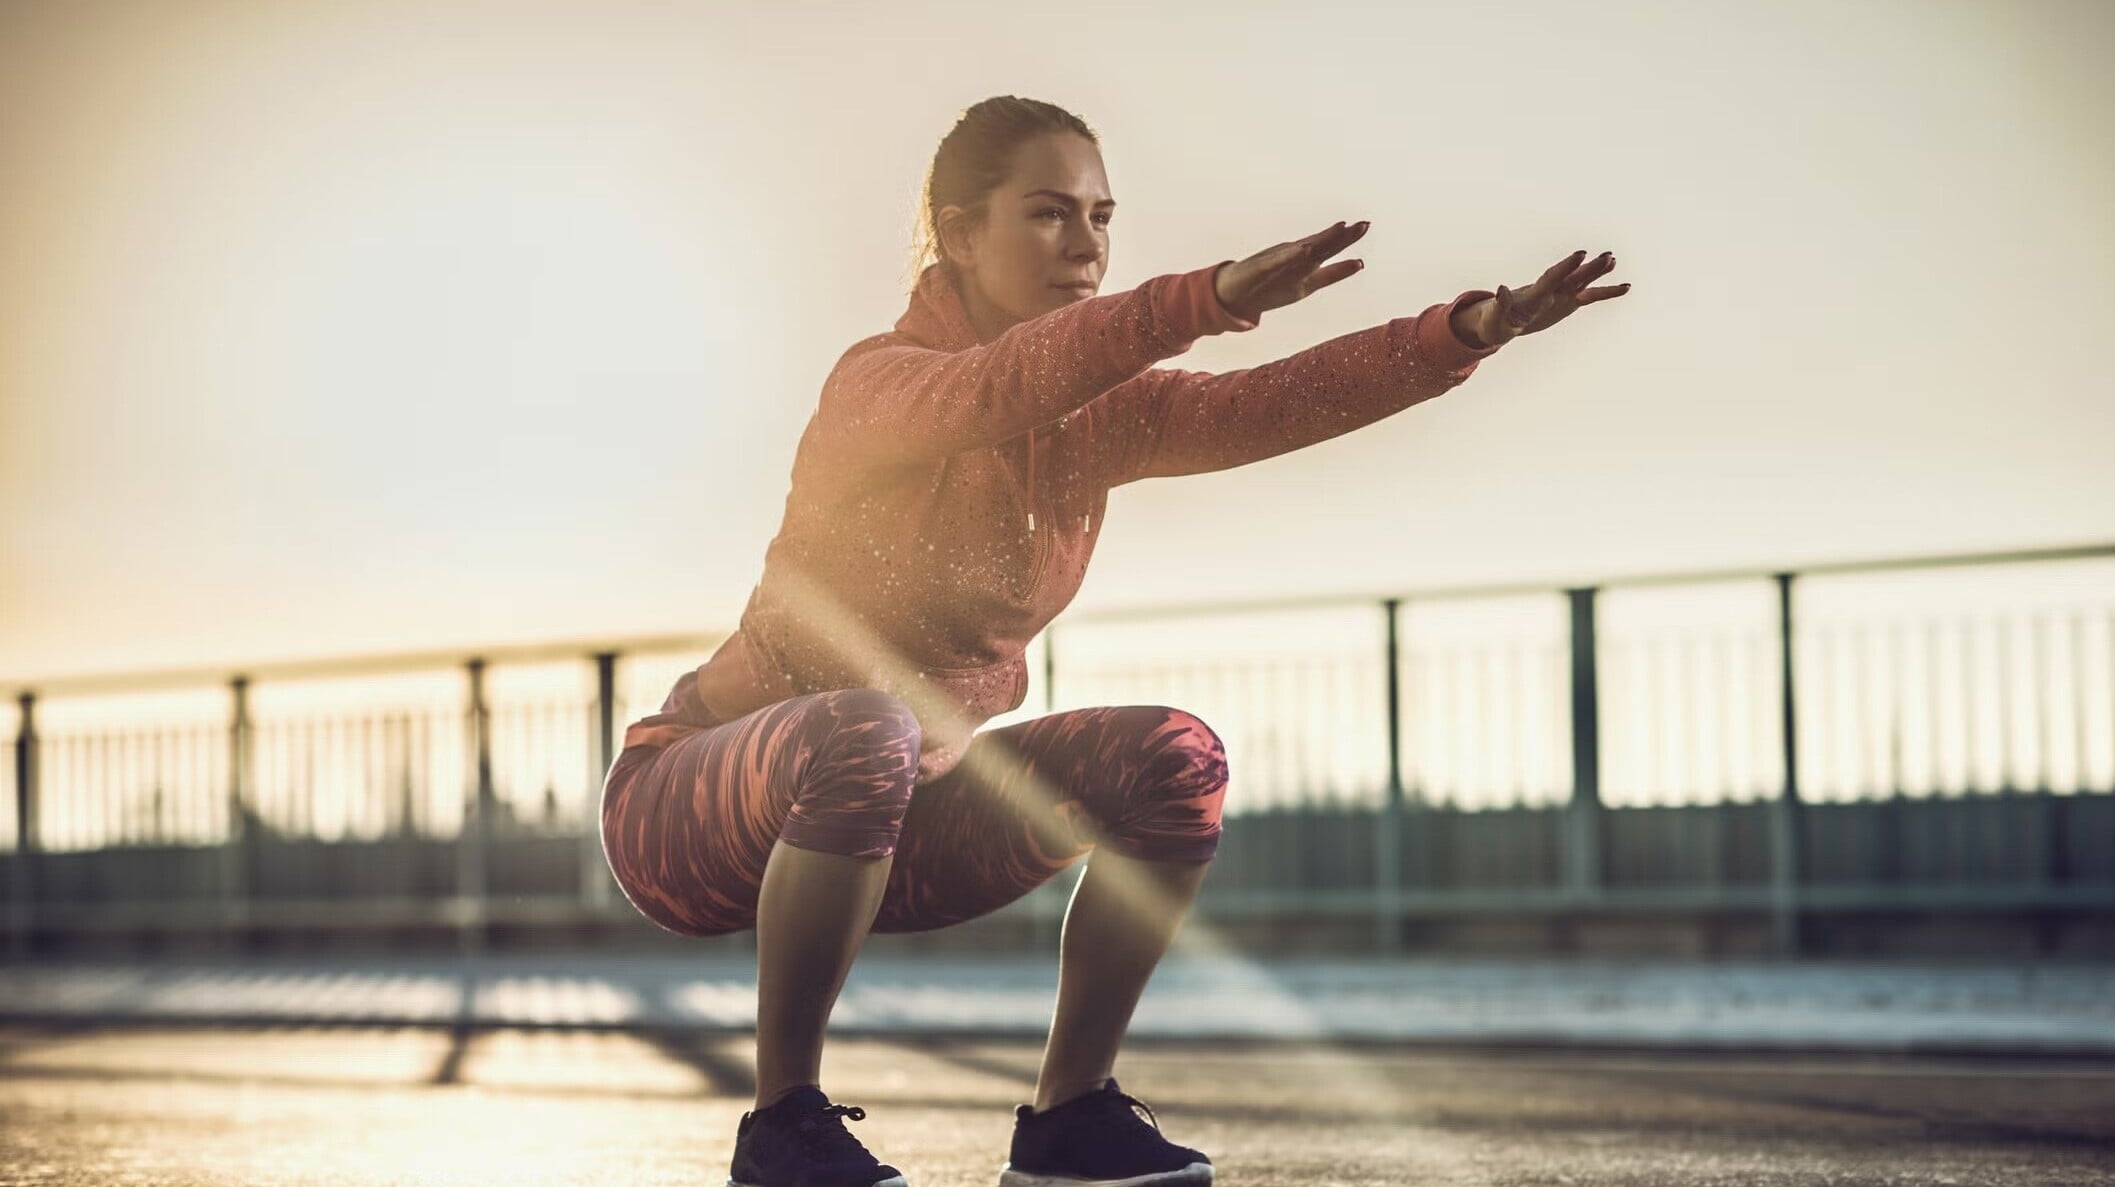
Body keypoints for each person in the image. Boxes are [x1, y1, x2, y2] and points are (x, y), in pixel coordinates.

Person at [599, 95, 1628, 1187]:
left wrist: (1463, 332)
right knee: (869, 727)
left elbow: (1268, 404)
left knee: (1176, 756)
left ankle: (1070, 1118)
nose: (1085, 244)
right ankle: (781, 1125)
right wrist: (1202, 299)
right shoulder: (879, 387)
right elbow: (999, 386)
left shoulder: (1097, 421)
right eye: (1049, 213)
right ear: (958, 234)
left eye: (1101, 217)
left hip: (896, 823)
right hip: (691, 816)